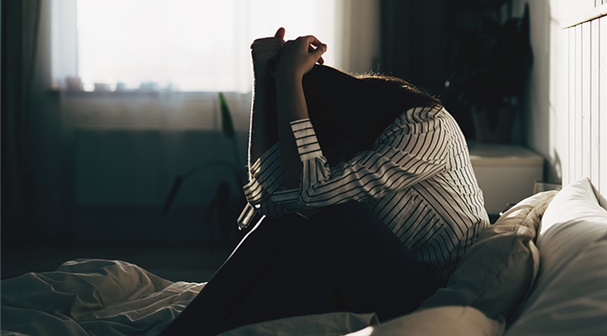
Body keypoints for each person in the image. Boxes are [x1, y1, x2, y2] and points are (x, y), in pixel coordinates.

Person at [161, 28, 489, 335]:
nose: (308, 151)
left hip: (433, 294)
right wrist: (264, 77)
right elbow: (268, 197)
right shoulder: (356, 139)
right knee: (285, 223)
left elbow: (310, 192)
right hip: (376, 277)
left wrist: (289, 79)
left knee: (341, 219)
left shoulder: (425, 127)